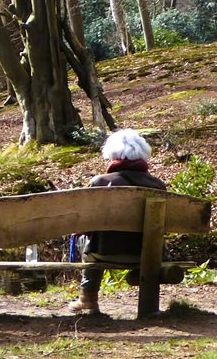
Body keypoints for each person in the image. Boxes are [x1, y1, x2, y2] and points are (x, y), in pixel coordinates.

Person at [64, 128, 166, 315]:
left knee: (83, 239)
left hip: (104, 252)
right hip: (146, 254)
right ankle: (149, 307)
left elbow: (85, 224)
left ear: (112, 154)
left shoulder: (100, 182)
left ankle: (88, 299)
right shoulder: (158, 185)